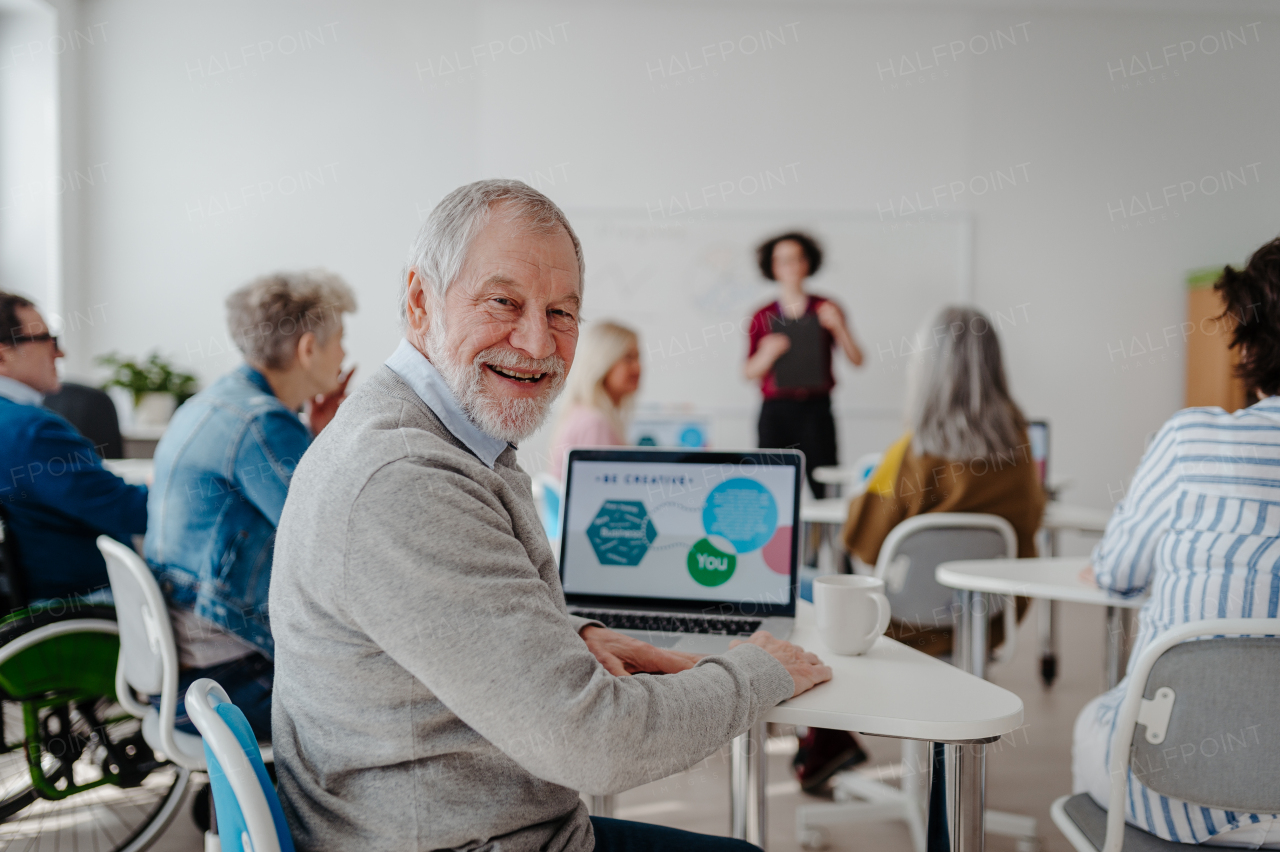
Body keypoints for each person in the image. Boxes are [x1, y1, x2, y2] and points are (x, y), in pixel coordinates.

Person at [269, 179, 831, 852]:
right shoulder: (405, 477)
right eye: (504, 302)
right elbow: (594, 743)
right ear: (419, 301)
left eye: (562, 313)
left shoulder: (442, 434)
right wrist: (755, 672)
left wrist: (569, 634)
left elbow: (452, 615)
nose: (537, 344)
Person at [1072, 236, 1280, 848]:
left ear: (1251, 337)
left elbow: (1116, 573)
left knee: (1095, 720)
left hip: (1173, 794)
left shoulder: (1192, 441)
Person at [786, 306, 1046, 794]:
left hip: (904, 622)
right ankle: (829, 738)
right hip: (984, 620)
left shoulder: (912, 451)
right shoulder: (1019, 442)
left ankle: (825, 734)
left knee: (800, 590)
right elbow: (1031, 522)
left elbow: (860, 537)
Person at [143, 270, 355, 740]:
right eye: (340, 339)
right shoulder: (263, 424)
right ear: (307, 349)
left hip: (179, 670)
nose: (344, 354)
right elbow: (335, 542)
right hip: (225, 680)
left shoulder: (210, 404)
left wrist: (314, 433)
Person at [0, 291, 147, 603]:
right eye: (47, 339)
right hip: (79, 606)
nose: (60, 353)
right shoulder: (31, 431)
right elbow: (130, 512)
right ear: (2, 356)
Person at [745, 231, 863, 498]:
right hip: (776, 412)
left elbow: (857, 360)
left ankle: (826, 541)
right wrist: (767, 354)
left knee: (826, 486)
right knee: (772, 490)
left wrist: (840, 328)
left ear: (807, 263)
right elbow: (748, 372)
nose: (791, 267)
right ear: (773, 267)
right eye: (783, 261)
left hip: (816, 412)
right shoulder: (762, 315)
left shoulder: (827, 308)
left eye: (797, 259)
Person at [548, 320, 640, 478]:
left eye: (638, 357)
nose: (638, 367)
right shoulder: (595, 423)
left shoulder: (585, 412)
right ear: (603, 362)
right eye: (628, 358)